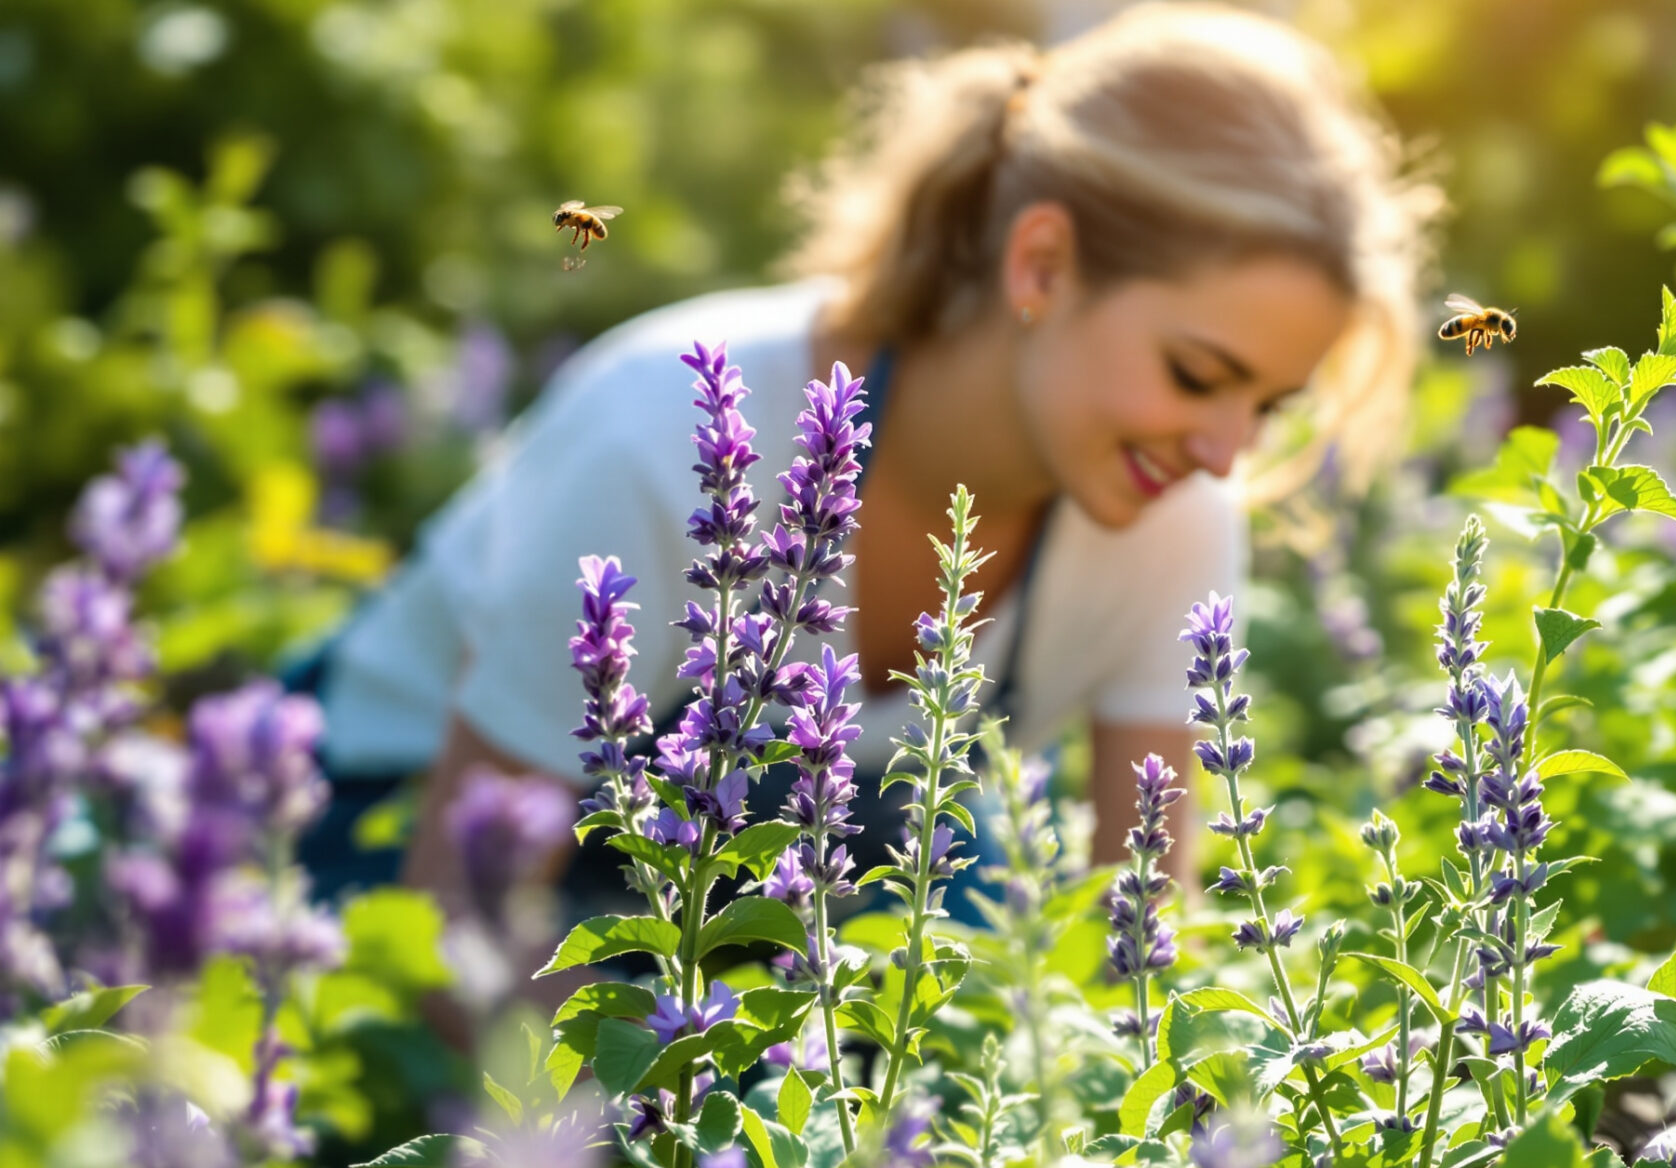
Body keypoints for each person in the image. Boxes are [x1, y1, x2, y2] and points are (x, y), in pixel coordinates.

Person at [299, 3, 1436, 918]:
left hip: (772, 867)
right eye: (1197, 374)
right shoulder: (671, 427)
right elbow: (459, 917)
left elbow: (1139, 946)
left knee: (955, 939)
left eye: (1269, 403)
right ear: (1039, 264)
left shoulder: (1171, 502)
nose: (1225, 449)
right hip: (380, 823)